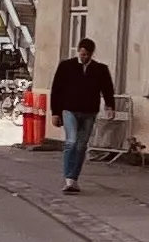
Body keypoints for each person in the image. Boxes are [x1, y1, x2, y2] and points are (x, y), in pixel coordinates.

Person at [46, 37, 116, 192]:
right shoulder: (66, 67)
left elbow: (107, 89)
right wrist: (55, 113)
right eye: (82, 54)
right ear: (78, 51)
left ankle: (73, 178)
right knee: (71, 141)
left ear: (91, 54)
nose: (84, 57)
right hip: (69, 110)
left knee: (81, 145)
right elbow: (56, 90)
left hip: (89, 111)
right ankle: (68, 178)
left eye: (87, 55)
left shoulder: (100, 69)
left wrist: (110, 106)